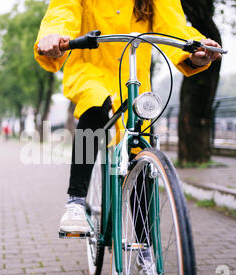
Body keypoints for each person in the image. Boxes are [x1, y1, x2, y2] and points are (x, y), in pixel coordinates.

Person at [34, 0, 222, 236]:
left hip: (132, 77)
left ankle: (144, 248)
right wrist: (54, 34)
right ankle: (76, 202)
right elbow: (64, 10)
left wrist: (194, 48)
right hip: (90, 69)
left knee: (139, 148)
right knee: (94, 104)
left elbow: (173, 23)